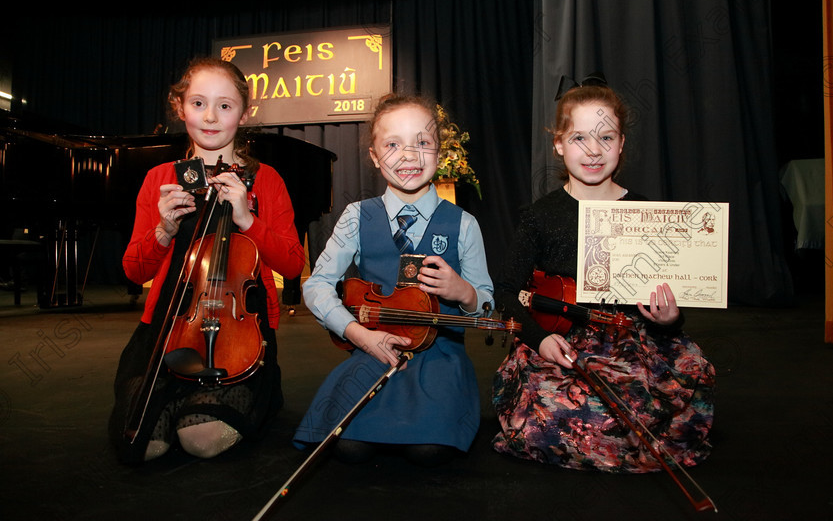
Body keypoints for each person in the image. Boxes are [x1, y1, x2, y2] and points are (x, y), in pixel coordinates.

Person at [491, 75, 715, 473]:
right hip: (562, 337)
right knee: (559, 415)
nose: (594, 151)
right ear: (559, 144)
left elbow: (668, 300)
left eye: (606, 138)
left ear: (622, 144)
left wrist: (671, 318)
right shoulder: (540, 216)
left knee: (689, 374)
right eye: (579, 138)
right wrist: (540, 341)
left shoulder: (647, 212)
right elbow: (507, 292)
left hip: (631, 339)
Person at [109, 57, 305, 464]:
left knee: (200, 439)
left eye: (225, 106)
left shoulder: (266, 179)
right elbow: (134, 270)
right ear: (180, 109)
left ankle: (252, 391)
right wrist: (163, 229)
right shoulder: (158, 178)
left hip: (240, 334)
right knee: (144, 445)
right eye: (198, 104)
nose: (211, 117)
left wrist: (248, 219)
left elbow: (291, 264)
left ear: (244, 113)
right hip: (168, 326)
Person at [294, 93, 494, 467]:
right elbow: (316, 285)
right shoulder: (356, 217)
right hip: (375, 349)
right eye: (392, 144)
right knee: (350, 449)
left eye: (423, 142)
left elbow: (485, 307)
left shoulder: (464, 224)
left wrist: (464, 293)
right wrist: (357, 334)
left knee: (430, 450)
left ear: (439, 151)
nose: (409, 155)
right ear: (374, 156)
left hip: (440, 358)